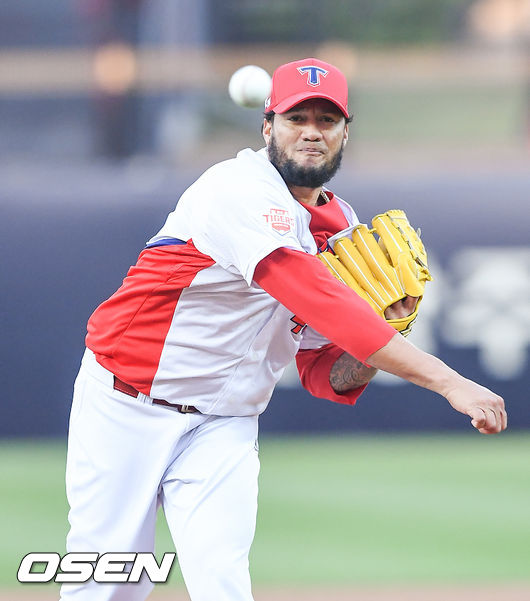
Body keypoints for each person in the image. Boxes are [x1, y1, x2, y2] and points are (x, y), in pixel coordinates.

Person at [61, 58, 507, 601]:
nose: (312, 132)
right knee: (107, 585)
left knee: (224, 586)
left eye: (327, 120)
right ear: (267, 127)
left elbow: (324, 372)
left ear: (345, 133)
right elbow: (314, 296)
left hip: (224, 422)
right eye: (297, 118)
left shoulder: (340, 230)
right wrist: (450, 382)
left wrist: (388, 326)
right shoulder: (234, 190)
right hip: (127, 404)